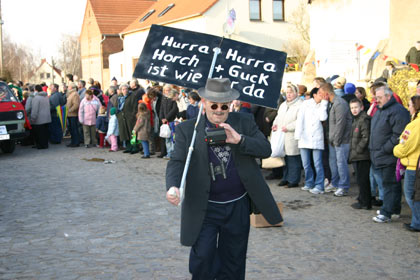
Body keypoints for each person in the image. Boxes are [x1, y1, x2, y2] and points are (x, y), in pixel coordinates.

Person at [166, 78, 282, 279]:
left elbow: (265, 149)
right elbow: (176, 161)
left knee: (234, 260)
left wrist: (240, 140)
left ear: (231, 104)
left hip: (237, 205)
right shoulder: (188, 130)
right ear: (203, 102)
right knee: (202, 258)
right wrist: (173, 187)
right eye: (214, 105)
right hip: (205, 206)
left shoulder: (243, 122)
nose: (219, 110)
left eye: (224, 105)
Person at [370, 84, 410, 223]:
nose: (377, 100)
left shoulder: (398, 111)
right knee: (391, 184)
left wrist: (384, 149)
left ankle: (386, 212)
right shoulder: (381, 109)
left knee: (389, 184)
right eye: (376, 97)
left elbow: (398, 135)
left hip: (389, 155)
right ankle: (393, 209)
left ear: (388, 96)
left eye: (380, 97)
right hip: (380, 154)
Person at [393, 96, 420, 232]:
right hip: (415, 163)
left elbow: (405, 145)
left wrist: (396, 150)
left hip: (413, 164)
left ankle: (417, 222)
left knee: (411, 195)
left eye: (410, 105)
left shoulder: (414, 125)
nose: (408, 108)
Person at [321, 83, 352, 197]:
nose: (320, 96)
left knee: (341, 163)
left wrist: (336, 140)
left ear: (326, 93)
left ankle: (343, 186)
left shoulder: (339, 104)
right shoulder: (332, 103)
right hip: (333, 140)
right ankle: (334, 183)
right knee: (333, 163)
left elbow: (340, 124)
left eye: (321, 93)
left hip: (341, 140)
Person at [295, 87, 328, 193]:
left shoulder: (322, 105)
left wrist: (324, 103)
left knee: (317, 163)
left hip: (316, 137)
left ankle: (319, 185)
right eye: (319, 94)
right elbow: (300, 119)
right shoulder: (306, 104)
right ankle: (309, 182)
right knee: (306, 163)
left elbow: (323, 118)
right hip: (304, 137)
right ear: (314, 94)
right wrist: (298, 134)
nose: (321, 96)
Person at [272, 84, 303, 188]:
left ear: (296, 93)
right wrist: (275, 125)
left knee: (293, 159)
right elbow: (278, 116)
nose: (288, 94)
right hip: (281, 135)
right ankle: (285, 178)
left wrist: (288, 127)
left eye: (291, 92)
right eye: (287, 92)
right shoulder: (283, 104)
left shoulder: (300, 104)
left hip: (292, 135)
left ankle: (293, 180)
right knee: (284, 159)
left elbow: (299, 121)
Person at [348, 98, 372, 209]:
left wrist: (357, 150)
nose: (354, 110)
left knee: (363, 179)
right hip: (357, 155)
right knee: (360, 179)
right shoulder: (356, 120)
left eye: (356, 107)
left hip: (363, 155)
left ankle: (365, 202)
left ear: (361, 107)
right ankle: (362, 198)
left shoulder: (363, 119)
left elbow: (365, 138)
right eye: (352, 108)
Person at [117, 83, 143, 154]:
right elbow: (118, 107)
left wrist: (133, 115)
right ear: (121, 90)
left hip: (130, 118)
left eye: (126, 89)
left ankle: (135, 147)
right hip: (122, 118)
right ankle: (128, 147)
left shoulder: (132, 96)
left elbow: (135, 107)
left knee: (132, 133)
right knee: (125, 133)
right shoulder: (120, 97)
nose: (125, 90)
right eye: (123, 89)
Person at [159, 88, 178, 159]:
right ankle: (170, 153)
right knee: (169, 139)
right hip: (168, 122)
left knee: (170, 139)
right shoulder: (168, 100)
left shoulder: (169, 101)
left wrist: (165, 118)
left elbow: (173, 110)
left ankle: (171, 154)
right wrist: (163, 118)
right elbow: (162, 109)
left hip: (169, 121)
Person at [30, 85, 51, 149]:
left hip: (39, 119)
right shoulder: (46, 97)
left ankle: (40, 145)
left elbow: (35, 109)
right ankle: (45, 144)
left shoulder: (36, 98)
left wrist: (33, 117)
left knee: (39, 134)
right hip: (47, 118)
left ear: (36, 90)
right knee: (45, 133)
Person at [66, 83, 81, 147]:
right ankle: (73, 141)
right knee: (71, 129)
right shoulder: (70, 94)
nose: (68, 87)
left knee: (74, 129)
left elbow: (76, 105)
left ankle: (76, 142)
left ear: (72, 87)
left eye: (69, 86)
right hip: (69, 115)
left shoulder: (75, 94)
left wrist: (70, 110)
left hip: (73, 115)